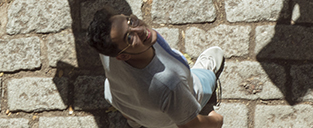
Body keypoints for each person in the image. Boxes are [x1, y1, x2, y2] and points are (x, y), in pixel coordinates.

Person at [86, 8, 225, 128]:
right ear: (123, 57)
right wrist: (216, 121)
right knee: (205, 80)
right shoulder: (170, 84)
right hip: (167, 118)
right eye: (129, 38)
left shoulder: (108, 50)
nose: (140, 30)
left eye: (130, 21)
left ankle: (135, 122)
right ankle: (207, 72)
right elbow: (191, 126)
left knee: (129, 109)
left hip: (122, 101)